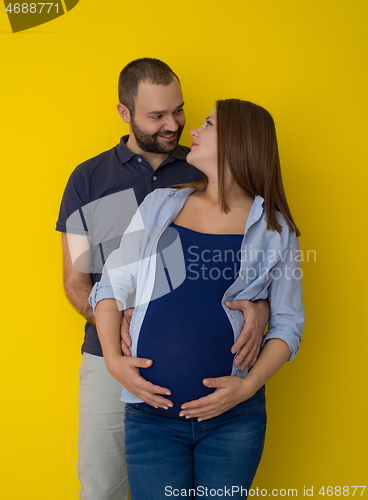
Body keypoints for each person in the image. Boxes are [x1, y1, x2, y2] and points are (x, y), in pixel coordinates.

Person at [56, 59, 269, 500]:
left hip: (209, 387)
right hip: (107, 358)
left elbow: (253, 261)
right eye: (157, 116)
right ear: (124, 113)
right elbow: (77, 280)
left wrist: (261, 308)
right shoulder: (88, 180)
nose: (173, 124)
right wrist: (116, 333)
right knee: (102, 490)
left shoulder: (202, 171)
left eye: (180, 111)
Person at [89, 99, 304, 499]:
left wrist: (247, 387)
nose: (194, 132)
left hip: (235, 420)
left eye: (207, 124)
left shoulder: (276, 230)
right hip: (150, 417)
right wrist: (114, 363)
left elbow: (289, 325)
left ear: (239, 141)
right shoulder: (159, 205)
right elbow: (110, 286)